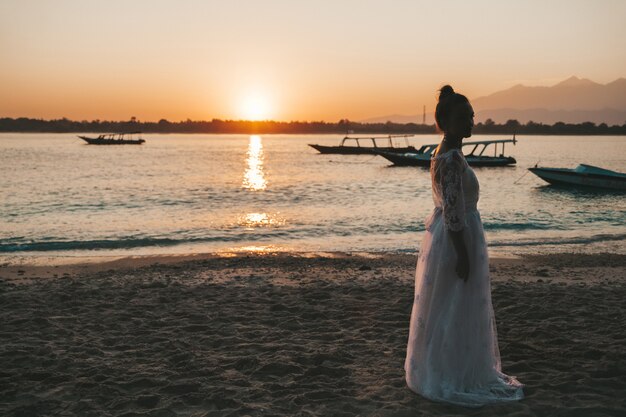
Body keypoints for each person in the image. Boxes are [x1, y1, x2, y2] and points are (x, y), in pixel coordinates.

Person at [404, 85, 524, 407]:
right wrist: (462, 253)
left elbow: (453, 209)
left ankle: (450, 366)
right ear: (446, 121)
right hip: (456, 238)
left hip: (453, 234)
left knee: (451, 306)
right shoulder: (450, 158)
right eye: (463, 117)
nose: (471, 122)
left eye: (471, 116)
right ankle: (452, 373)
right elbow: (454, 212)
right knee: (455, 306)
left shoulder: (447, 152)